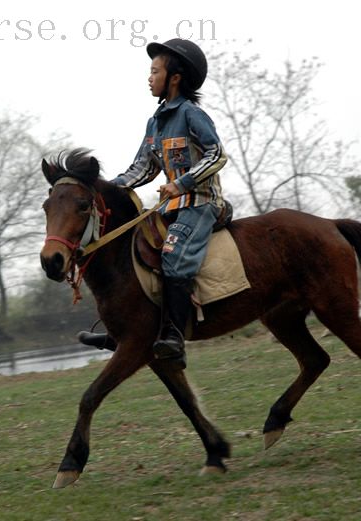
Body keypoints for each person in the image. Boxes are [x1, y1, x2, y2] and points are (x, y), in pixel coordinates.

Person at [110, 38, 228, 369]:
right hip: (171, 209)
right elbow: (142, 168)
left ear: (174, 77)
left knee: (173, 256)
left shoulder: (192, 114)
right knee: (136, 249)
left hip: (202, 203)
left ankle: (174, 338)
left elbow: (216, 153)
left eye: (154, 71)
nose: (149, 78)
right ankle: (126, 331)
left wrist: (182, 183)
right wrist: (107, 188)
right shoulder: (156, 122)